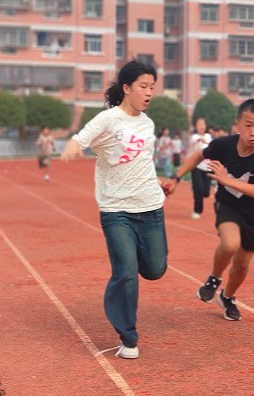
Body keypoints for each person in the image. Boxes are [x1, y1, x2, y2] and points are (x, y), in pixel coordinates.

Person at [61, 61, 167, 359]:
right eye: (143, 87)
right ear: (126, 88)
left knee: (156, 269)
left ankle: (130, 274)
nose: (149, 93)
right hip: (116, 210)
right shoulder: (108, 119)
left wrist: (157, 180)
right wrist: (72, 145)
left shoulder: (147, 123)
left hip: (150, 206)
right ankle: (128, 337)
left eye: (152, 87)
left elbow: (142, 159)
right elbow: (81, 137)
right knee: (126, 273)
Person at [169, 99, 254, 321]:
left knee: (242, 264)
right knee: (230, 243)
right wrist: (177, 177)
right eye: (248, 125)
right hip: (228, 204)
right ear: (237, 125)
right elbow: (199, 155)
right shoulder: (224, 144)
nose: (253, 132)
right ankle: (214, 278)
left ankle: (227, 297)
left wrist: (227, 180)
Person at [188, 117, 213, 219]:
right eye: (199, 124)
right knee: (199, 189)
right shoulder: (194, 137)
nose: (201, 126)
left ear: (205, 126)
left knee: (206, 192)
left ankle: (196, 188)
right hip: (196, 166)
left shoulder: (208, 137)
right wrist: (199, 140)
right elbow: (193, 143)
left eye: (203, 124)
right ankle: (197, 211)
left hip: (207, 167)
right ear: (196, 126)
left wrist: (206, 142)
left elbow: (212, 147)